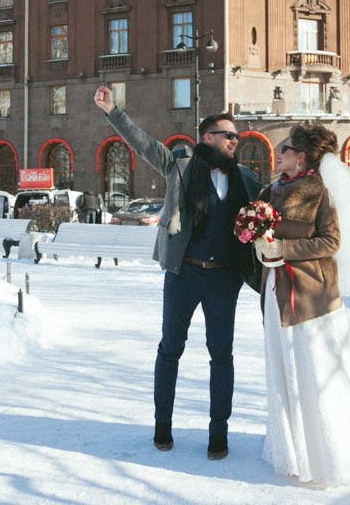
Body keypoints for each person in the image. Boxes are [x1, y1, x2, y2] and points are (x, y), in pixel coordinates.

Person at [94, 85, 261, 460]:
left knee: (222, 354)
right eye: (228, 135)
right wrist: (112, 110)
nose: (235, 141)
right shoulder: (181, 165)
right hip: (183, 273)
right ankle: (162, 426)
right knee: (171, 348)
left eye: (237, 136)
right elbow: (143, 144)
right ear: (208, 137)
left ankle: (219, 432)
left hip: (224, 277)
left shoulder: (247, 179)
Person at [248, 123, 350, 486]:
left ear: (299, 157)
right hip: (275, 288)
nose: (279, 153)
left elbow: (330, 242)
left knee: (317, 370)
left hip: (310, 296)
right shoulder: (270, 190)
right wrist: (255, 240)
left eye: (284, 148)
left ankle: (333, 453)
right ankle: (295, 445)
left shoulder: (318, 191)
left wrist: (283, 249)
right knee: (285, 364)